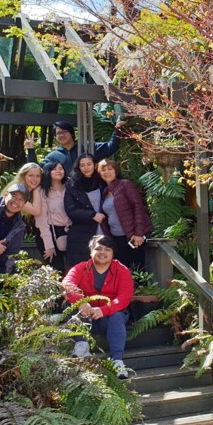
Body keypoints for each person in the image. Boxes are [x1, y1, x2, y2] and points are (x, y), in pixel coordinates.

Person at [62, 235, 133, 379]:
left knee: (117, 315)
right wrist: (81, 302)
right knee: (69, 305)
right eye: (98, 248)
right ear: (91, 252)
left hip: (109, 320)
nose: (103, 252)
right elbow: (67, 284)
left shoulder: (122, 270)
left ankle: (117, 361)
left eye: (107, 249)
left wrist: (104, 310)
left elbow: (124, 297)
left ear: (113, 253)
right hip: (85, 318)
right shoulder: (80, 268)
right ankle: (82, 345)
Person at [97, 159, 153, 271]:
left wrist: (138, 233)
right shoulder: (105, 191)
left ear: (116, 171)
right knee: (122, 270)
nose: (107, 172)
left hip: (132, 236)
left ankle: (141, 289)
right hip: (116, 238)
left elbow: (138, 207)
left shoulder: (125, 184)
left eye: (110, 169)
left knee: (138, 270)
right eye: (103, 170)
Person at [26, 119, 124, 175]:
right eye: (58, 133)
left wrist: (118, 128)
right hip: (67, 196)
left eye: (64, 132)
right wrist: (30, 150)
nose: (61, 135)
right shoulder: (53, 156)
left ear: (72, 134)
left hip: (91, 192)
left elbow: (111, 147)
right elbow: (36, 169)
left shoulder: (88, 147)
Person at [64, 153, 106, 269]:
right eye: (82, 165)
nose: (86, 168)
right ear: (78, 167)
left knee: (103, 264)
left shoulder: (103, 181)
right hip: (81, 232)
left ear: (95, 165)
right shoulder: (72, 184)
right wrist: (92, 215)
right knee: (83, 267)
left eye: (89, 164)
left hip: (105, 228)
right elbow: (70, 210)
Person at [34, 160, 72, 273]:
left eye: (61, 168)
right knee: (56, 270)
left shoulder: (70, 187)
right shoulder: (42, 191)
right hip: (49, 232)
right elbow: (41, 220)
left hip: (71, 231)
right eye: (54, 169)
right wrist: (49, 245)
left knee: (74, 268)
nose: (58, 171)